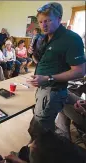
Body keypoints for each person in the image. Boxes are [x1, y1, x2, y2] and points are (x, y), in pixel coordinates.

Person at [26, 2, 85, 132]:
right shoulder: (45, 38)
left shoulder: (71, 39)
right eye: (41, 22)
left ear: (59, 19)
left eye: (47, 20)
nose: (43, 25)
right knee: (40, 125)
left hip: (53, 91)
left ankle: (41, 150)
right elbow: (39, 61)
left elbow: (80, 71)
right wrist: (33, 53)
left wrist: (48, 78)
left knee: (40, 130)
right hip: (42, 88)